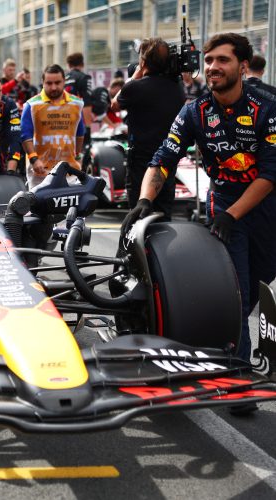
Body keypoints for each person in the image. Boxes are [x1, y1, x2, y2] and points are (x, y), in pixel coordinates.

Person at [120, 33, 276, 364]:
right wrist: (145, 200)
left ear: (243, 66)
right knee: (235, 292)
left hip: (266, 208)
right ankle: (235, 370)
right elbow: (162, 159)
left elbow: (270, 175)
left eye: (223, 60)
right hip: (224, 207)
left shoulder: (268, 108)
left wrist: (233, 214)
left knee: (254, 290)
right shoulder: (194, 111)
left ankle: (225, 347)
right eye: (209, 60)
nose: (213, 67)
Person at [112, 37, 185, 220]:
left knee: (138, 213)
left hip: (141, 160)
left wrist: (135, 75)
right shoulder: (177, 87)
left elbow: (114, 104)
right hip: (168, 158)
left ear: (143, 62)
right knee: (163, 213)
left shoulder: (135, 87)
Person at [21, 64, 85, 187]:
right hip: (40, 172)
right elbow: (25, 136)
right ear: (43, 82)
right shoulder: (32, 105)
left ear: (64, 81)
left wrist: (78, 155)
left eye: (57, 83)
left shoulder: (77, 104)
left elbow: (80, 132)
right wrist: (34, 159)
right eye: (49, 83)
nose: (54, 87)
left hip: (69, 171)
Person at [64, 52, 94, 129]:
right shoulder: (84, 78)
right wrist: (88, 127)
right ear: (82, 64)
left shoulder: (62, 79)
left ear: (69, 65)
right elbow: (86, 103)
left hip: (61, 119)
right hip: (77, 122)